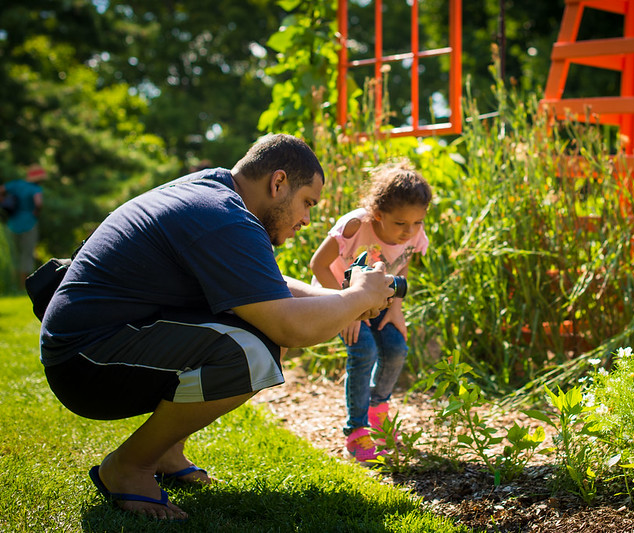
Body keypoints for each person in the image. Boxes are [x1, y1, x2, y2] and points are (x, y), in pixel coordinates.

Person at [39, 134, 395, 521]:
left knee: (256, 336)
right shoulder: (223, 215)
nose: (306, 219)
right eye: (307, 202)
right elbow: (289, 327)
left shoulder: (216, 194)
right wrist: (358, 297)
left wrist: (346, 298)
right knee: (252, 352)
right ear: (278, 183)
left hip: (96, 342)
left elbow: (268, 286)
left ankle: (165, 452)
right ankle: (128, 467)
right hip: (86, 360)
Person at [309, 161, 432, 465]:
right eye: (400, 223)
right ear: (378, 214)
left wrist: (397, 309)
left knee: (396, 347)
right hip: (335, 295)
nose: (409, 231)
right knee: (363, 349)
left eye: (417, 222)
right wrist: (348, 308)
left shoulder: (413, 233)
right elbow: (318, 265)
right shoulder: (355, 226)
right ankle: (356, 431)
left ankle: (378, 414)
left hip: (376, 299)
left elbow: (401, 264)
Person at [1, 164, 46, 290]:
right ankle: (24, 286)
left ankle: (13, 285)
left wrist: (4, 204)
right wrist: (35, 213)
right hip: (29, 224)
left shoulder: (16, 184)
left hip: (12, 224)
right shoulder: (35, 188)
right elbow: (39, 203)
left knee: (14, 256)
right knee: (26, 255)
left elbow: (1, 190)